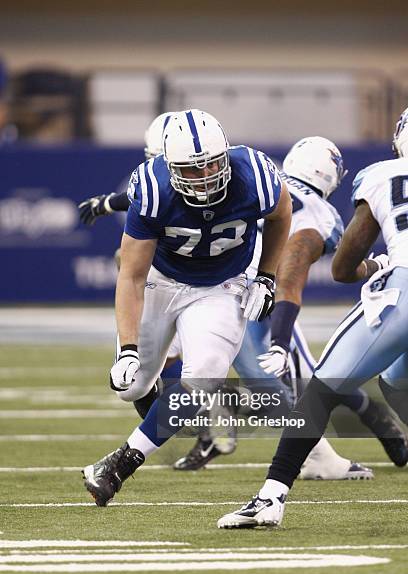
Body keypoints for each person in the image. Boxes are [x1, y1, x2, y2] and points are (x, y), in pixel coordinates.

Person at [82, 108, 293, 507]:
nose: (204, 176)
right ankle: (178, 409)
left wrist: (266, 277)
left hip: (222, 283)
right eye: (191, 170)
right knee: (133, 387)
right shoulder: (152, 187)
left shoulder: (256, 175)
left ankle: (119, 464)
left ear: (225, 154)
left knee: (206, 374)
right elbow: (130, 275)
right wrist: (127, 348)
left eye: (212, 164)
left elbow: (282, 215)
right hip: (162, 280)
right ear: (168, 165)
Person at [217, 108, 408, 529]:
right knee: (393, 382)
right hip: (261, 299)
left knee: (320, 390)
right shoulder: (320, 214)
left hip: (218, 288)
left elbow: (341, 268)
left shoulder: (381, 175)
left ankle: (270, 497)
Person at [174, 137, 407, 476]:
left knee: (273, 378)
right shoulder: (322, 215)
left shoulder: (261, 181)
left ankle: (220, 423)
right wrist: (281, 340)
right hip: (256, 296)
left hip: (207, 286)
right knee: (289, 377)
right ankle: (323, 443)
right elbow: (292, 277)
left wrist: (113, 204)